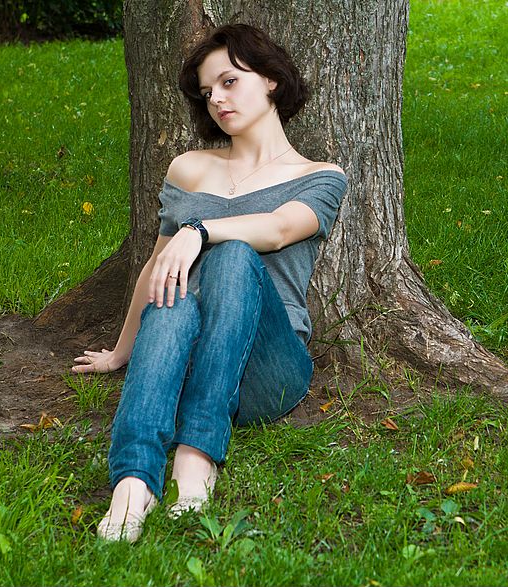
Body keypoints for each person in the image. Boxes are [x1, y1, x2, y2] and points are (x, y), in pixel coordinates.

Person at [71, 23, 348, 542]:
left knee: (232, 256)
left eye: (228, 81)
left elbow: (280, 228)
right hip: (183, 353)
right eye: (207, 92)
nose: (217, 99)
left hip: (266, 369)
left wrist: (201, 231)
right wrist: (118, 352)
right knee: (172, 300)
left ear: (269, 79)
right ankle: (133, 485)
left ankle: (196, 461)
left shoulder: (321, 176)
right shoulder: (189, 169)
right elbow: (157, 273)